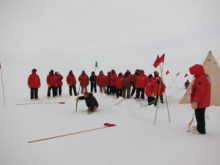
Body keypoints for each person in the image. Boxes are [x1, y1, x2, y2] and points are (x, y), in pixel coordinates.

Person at [189, 64, 211, 134]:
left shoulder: (201, 79)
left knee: (199, 115)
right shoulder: (203, 76)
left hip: (200, 101)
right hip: (202, 101)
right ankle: (199, 127)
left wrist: (195, 101)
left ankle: (201, 130)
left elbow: (199, 92)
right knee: (199, 114)